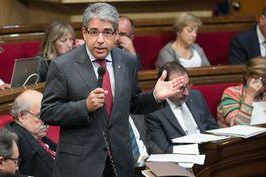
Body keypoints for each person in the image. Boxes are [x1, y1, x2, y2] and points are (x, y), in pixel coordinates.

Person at [41, 3, 183, 177]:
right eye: (94, 32)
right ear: (84, 33)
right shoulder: (63, 65)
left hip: (119, 160)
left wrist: (155, 97)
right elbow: (48, 112)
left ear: (116, 34)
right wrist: (84, 106)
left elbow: (132, 103)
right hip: (80, 164)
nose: (100, 39)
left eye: (107, 32)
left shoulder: (127, 61)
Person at [145, 62, 218, 153]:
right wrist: (195, 150)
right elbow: (163, 149)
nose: (186, 93)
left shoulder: (196, 96)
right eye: (180, 88)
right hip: (181, 160)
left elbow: (213, 129)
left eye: (187, 85)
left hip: (209, 153)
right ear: (165, 87)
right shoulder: (154, 111)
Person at [217, 57, 266, 127]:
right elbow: (238, 128)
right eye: (258, 81)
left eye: (265, 84)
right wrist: (249, 96)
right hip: (232, 137)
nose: (261, 86)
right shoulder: (231, 93)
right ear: (247, 76)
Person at [6, 90, 56, 177]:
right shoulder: (12, 140)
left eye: (48, 114)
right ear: (21, 116)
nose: (46, 121)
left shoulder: (36, 134)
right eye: (40, 116)